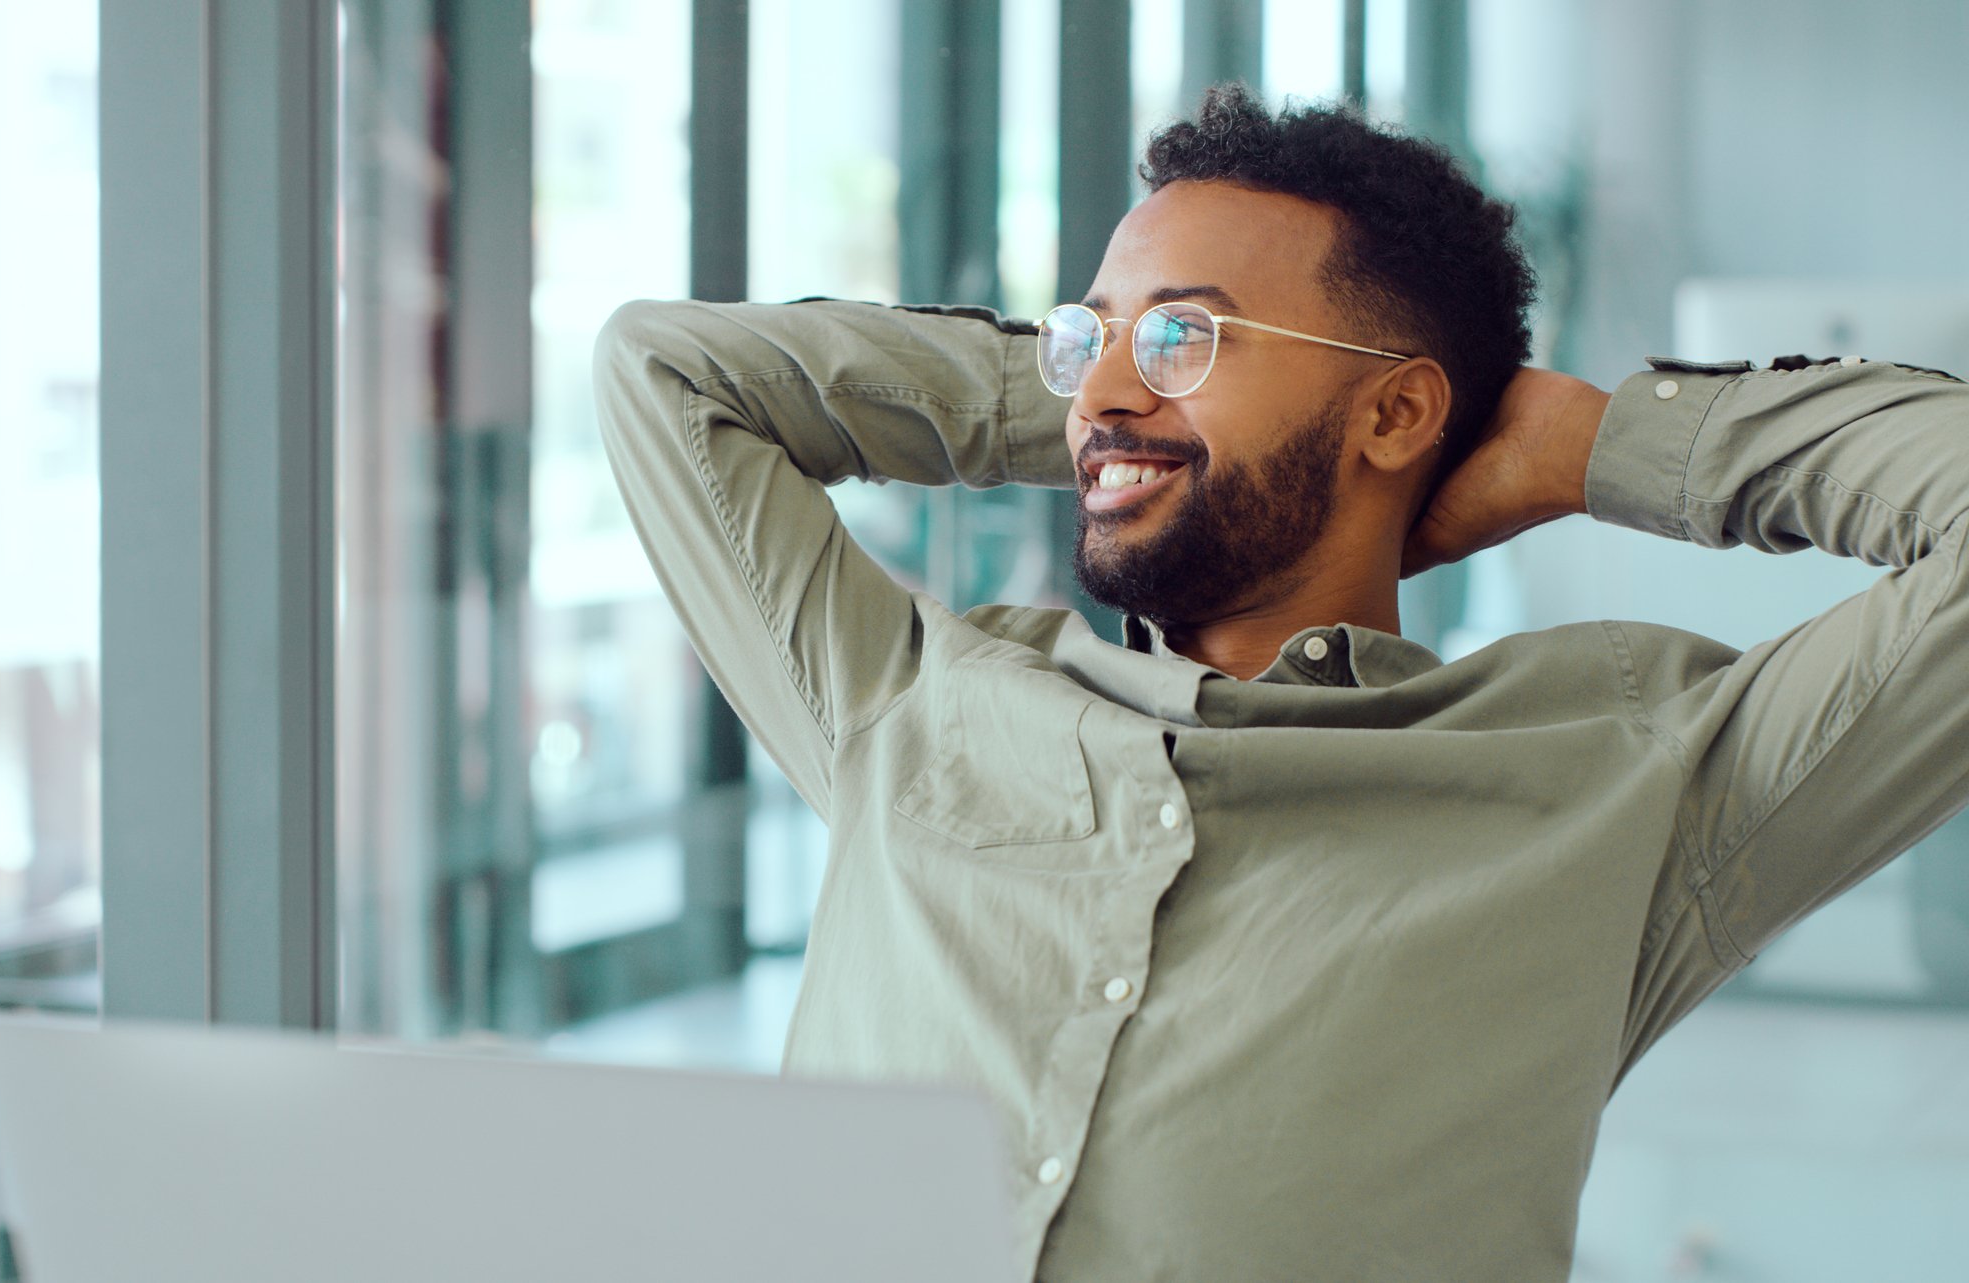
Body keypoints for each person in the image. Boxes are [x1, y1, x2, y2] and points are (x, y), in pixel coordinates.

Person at [593, 83, 1969, 1281]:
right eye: (1090, 337)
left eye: (1188, 337)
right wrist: (1097, 404)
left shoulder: (1623, 779)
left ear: (1396, 411)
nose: (1109, 390)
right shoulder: (909, 696)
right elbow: (668, 374)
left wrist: (1595, 447)